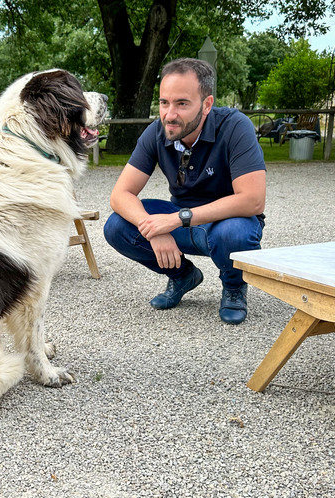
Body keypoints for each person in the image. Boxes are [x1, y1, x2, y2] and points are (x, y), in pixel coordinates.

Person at [103, 58, 266, 324]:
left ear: (207, 105)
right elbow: (120, 195)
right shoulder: (156, 132)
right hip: (181, 220)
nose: (169, 114)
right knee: (117, 226)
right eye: (164, 102)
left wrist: (175, 220)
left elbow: (253, 200)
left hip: (227, 221)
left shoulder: (236, 126)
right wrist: (153, 229)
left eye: (182, 103)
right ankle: (183, 276)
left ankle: (234, 286)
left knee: (235, 233)